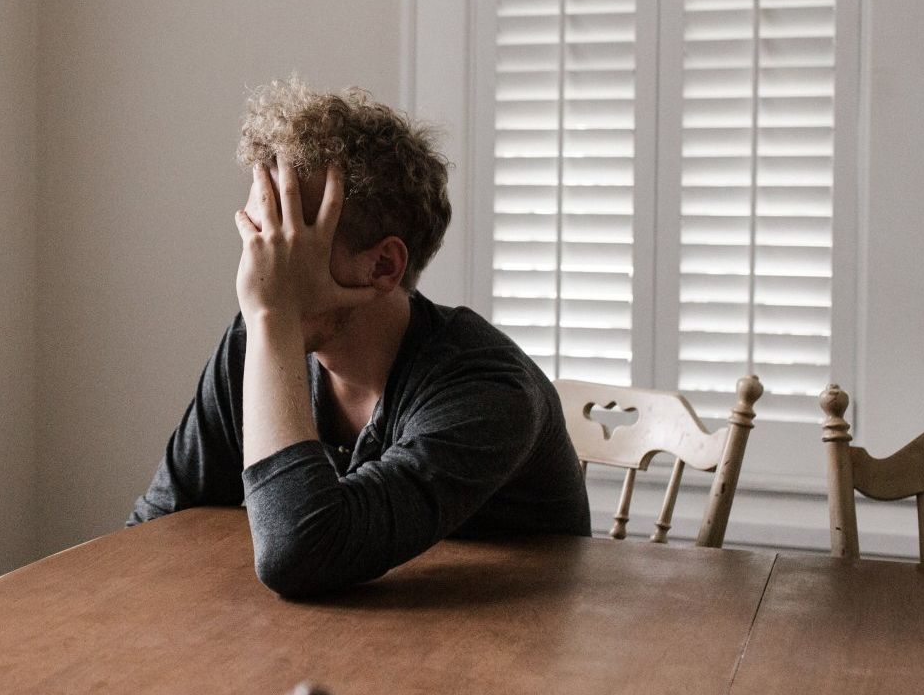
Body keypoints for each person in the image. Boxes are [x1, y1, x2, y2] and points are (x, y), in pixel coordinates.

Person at [128, 77, 590, 597]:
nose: (257, 270)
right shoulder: (256, 341)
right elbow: (154, 532)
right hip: (337, 645)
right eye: (257, 236)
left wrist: (273, 318)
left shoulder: (488, 390)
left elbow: (299, 553)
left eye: (286, 241)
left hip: (508, 654)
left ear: (383, 266)